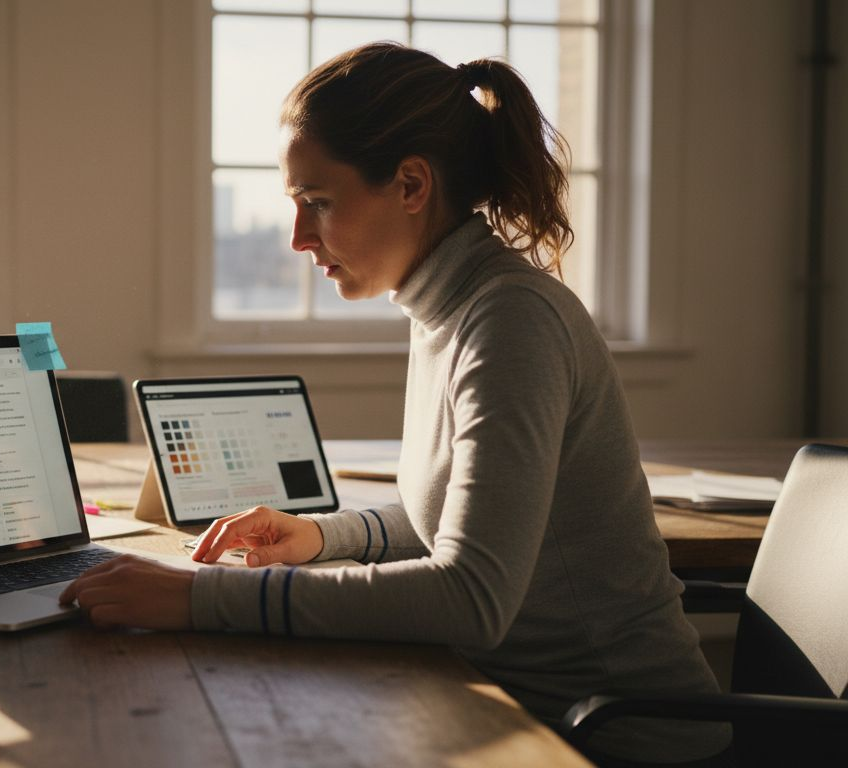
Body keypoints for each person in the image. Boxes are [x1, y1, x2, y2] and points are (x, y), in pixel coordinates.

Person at [60, 42, 728, 764]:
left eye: (317, 203)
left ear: (411, 184)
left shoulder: (510, 321)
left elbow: (471, 596)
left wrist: (196, 600)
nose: (297, 239)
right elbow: (439, 517)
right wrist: (319, 537)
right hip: (518, 707)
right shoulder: (446, 305)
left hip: (618, 739)